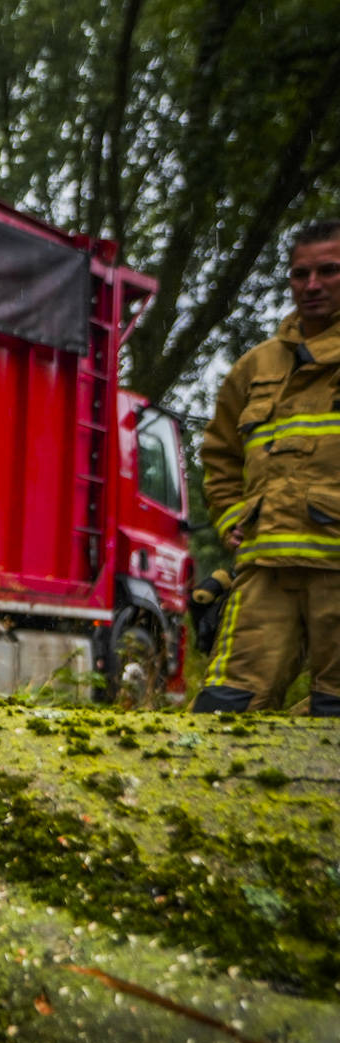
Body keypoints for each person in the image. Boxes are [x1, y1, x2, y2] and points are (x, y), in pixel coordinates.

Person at [194, 220, 340, 716]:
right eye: (301, 274)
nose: (312, 285)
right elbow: (219, 452)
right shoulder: (256, 367)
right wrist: (231, 512)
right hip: (264, 574)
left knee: (332, 718)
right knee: (222, 710)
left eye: (328, 270)